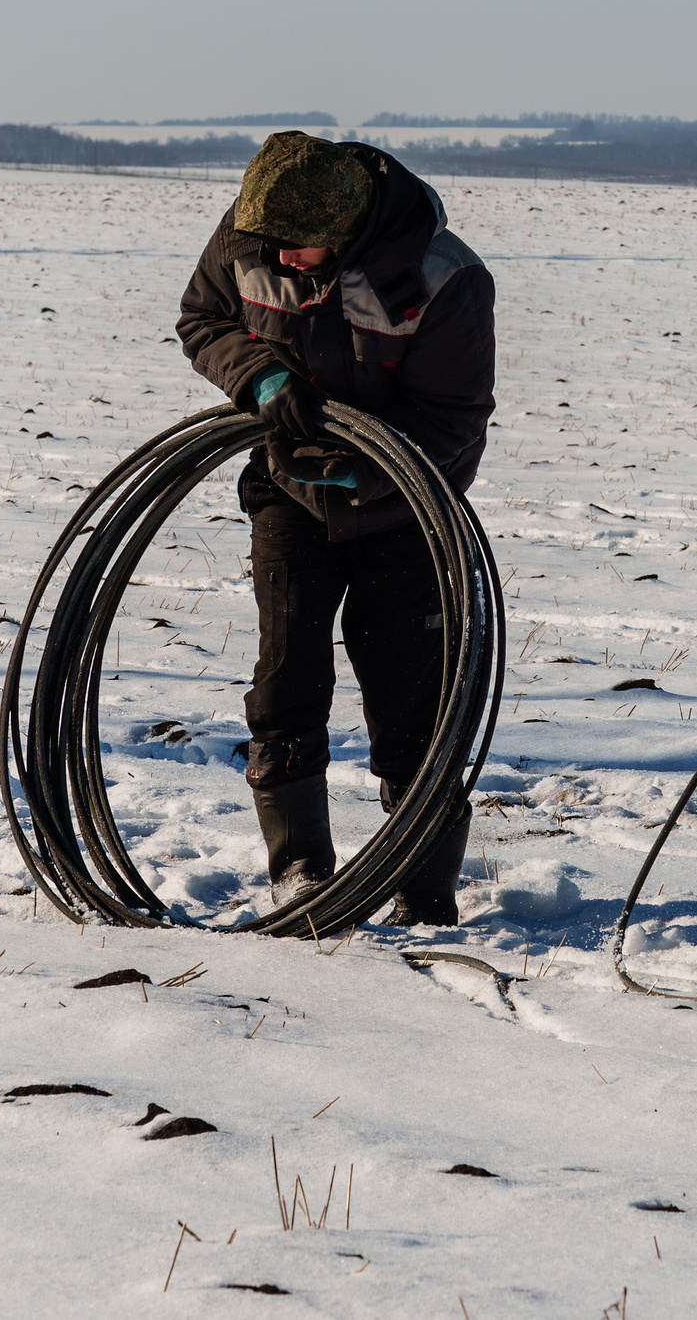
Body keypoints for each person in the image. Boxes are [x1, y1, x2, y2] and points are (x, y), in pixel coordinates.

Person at [177, 130, 497, 923]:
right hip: (290, 493)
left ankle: (423, 892)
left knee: (408, 700)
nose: (282, 261)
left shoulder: (442, 275)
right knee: (286, 678)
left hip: (405, 507)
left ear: (347, 227)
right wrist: (261, 373)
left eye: (303, 250)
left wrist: (363, 468)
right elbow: (202, 319)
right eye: (272, 247)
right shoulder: (254, 230)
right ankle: (302, 878)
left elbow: (453, 420)